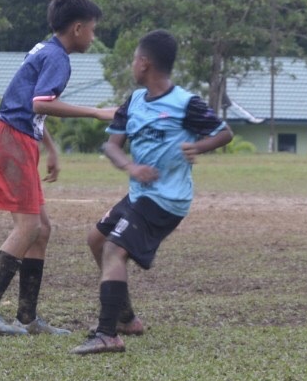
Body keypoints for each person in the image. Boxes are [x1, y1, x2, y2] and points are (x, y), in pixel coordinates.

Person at [0, 0, 116, 336]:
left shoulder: (44, 49)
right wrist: (94, 111)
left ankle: (27, 318)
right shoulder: (58, 58)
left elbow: (27, 102)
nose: (94, 36)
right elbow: (39, 104)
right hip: (12, 139)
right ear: (78, 28)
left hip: (18, 138)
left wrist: (50, 148)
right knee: (29, 227)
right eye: (93, 29)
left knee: (42, 230)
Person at [73, 30, 232, 355]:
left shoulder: (185, 103)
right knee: (97, 239)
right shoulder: (132, 101)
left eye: (134, 59)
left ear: (144, 63)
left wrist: (197, 146)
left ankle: (107, 334)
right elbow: (112, 145)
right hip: (139, 194)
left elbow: (224, 133)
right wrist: (130, 167)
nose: (132, 64)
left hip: (167, 199)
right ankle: (126, 318)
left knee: (114, 250)